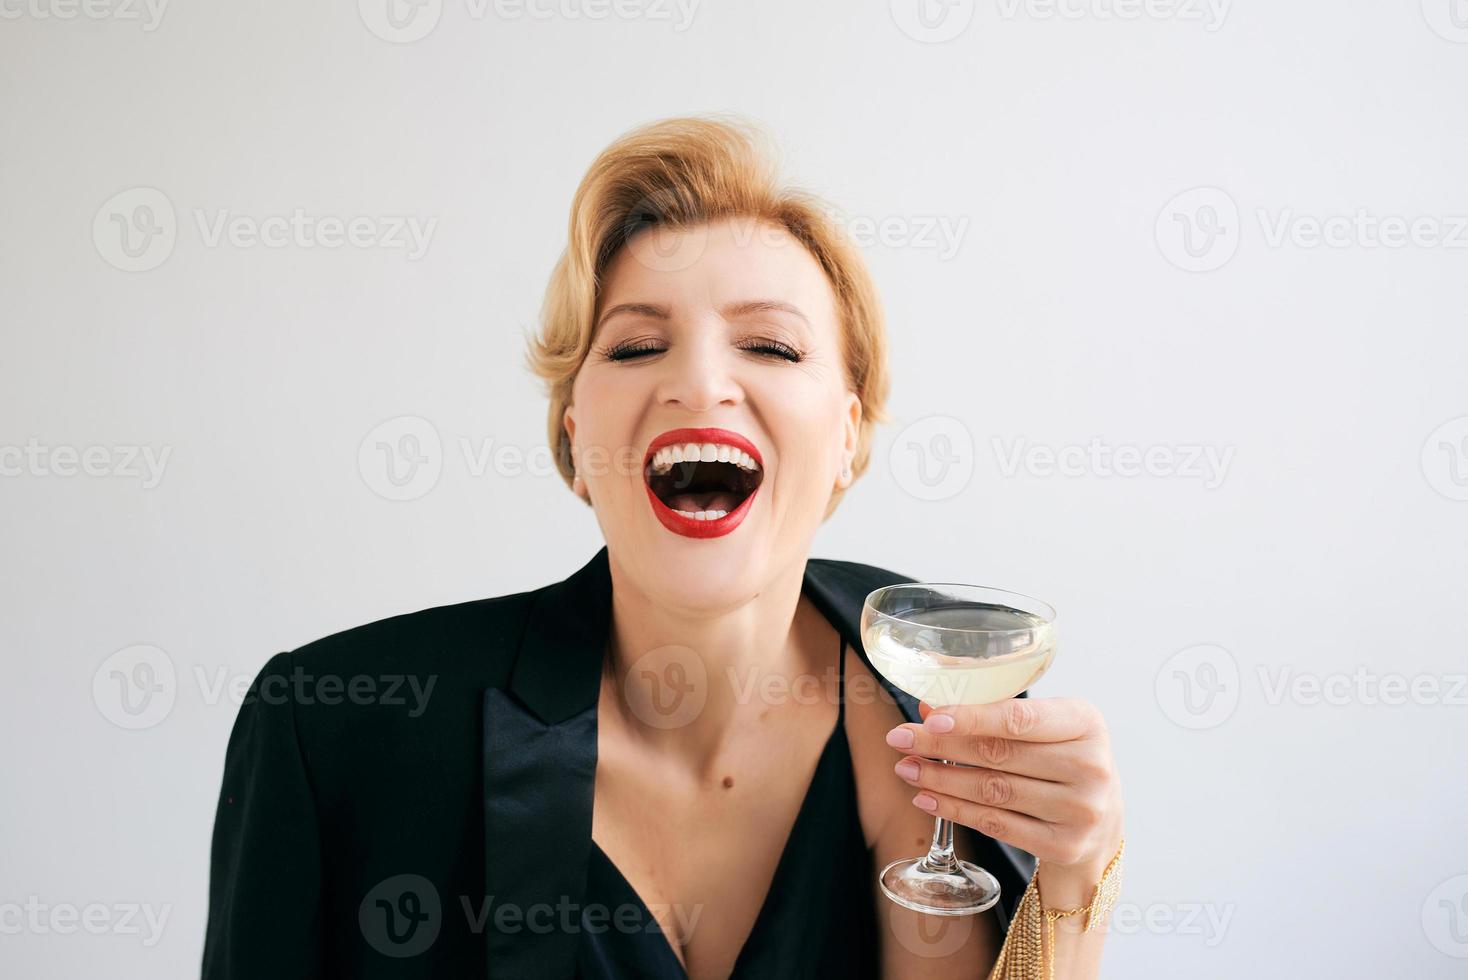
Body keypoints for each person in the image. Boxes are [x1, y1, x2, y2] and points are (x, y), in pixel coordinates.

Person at [202, 114, 1125, 980]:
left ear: (847, 437)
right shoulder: (329, 730)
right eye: (638, 348)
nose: (699, 381)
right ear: (575, 443)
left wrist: (1077, 877)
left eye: (769, 345)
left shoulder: (944, 703)